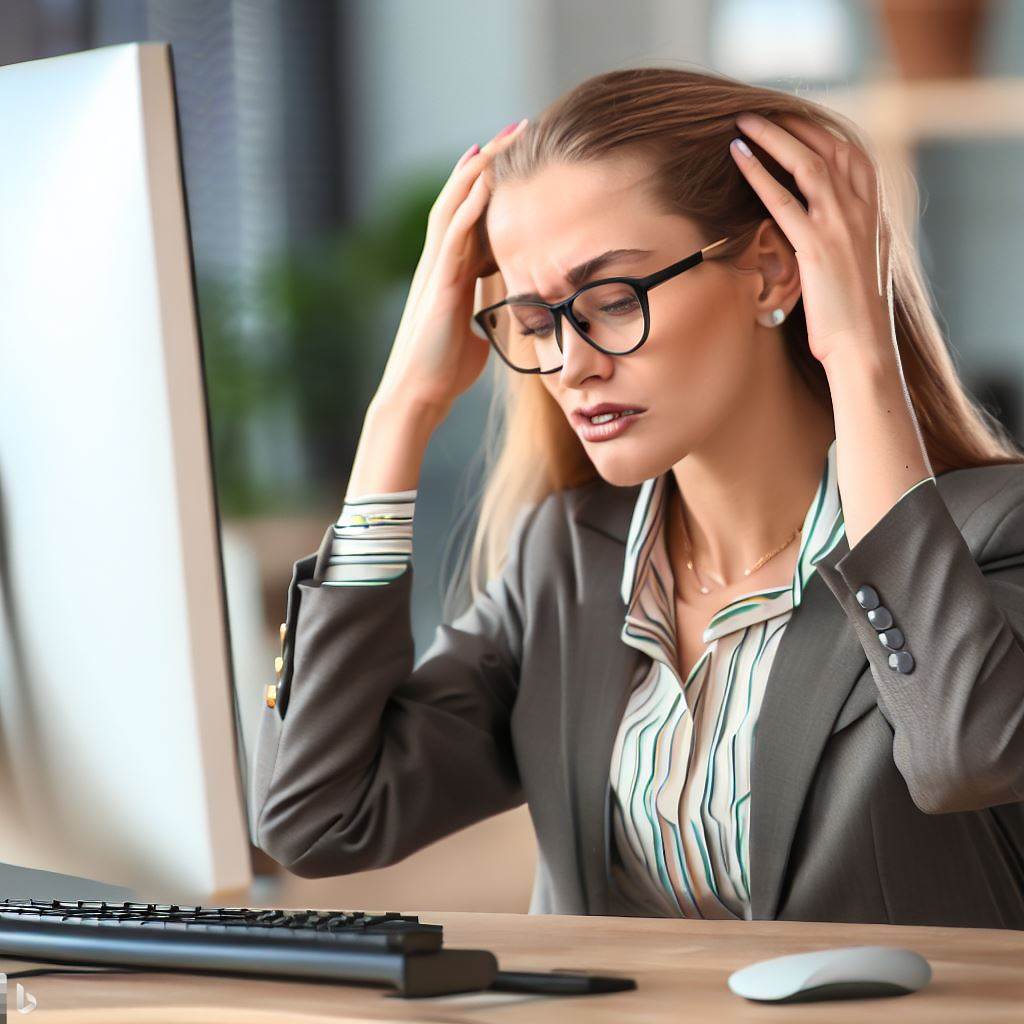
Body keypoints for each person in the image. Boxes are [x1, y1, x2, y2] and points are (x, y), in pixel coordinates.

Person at [250, 66, 1024, 928]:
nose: (572, 364)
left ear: (771, 271)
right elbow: (315, 817)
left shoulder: (995, 536)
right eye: (538, 321)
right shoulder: (569, 558)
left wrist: (858, 351)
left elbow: (968, 757)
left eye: (612, 299)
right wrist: (402, 406)